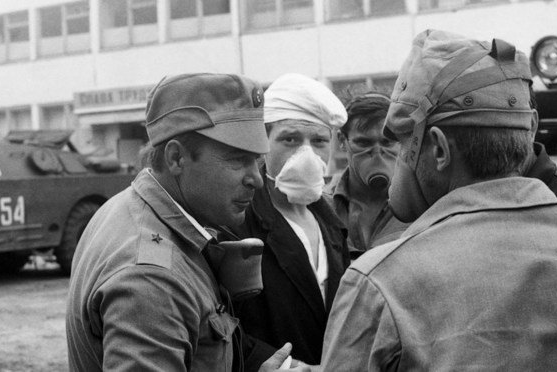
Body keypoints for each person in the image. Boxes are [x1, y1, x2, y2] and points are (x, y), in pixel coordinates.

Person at [321, 30, 557, 370]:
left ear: (439, 149)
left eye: (400, 141)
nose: (393, 160)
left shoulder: (378, 282)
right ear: (528, 129)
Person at [66, 73, 306, 371]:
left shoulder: (131, 207)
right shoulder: (152, 280)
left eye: (256, 161)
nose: (256, 179)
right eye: (237, 160)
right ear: (176, 158)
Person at [224, 73, 350, 366]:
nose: (307, 153)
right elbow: (222, 322)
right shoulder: (237, 222)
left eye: (319, 141)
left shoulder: (332, 222)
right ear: (263, 143)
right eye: (290, 139)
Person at [325, 93, 409, 259]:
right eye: (363, 143)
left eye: (387, 142)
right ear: (342, 140)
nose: (377, 153)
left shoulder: (420, 206)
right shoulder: (323, 207)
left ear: (401, 140)